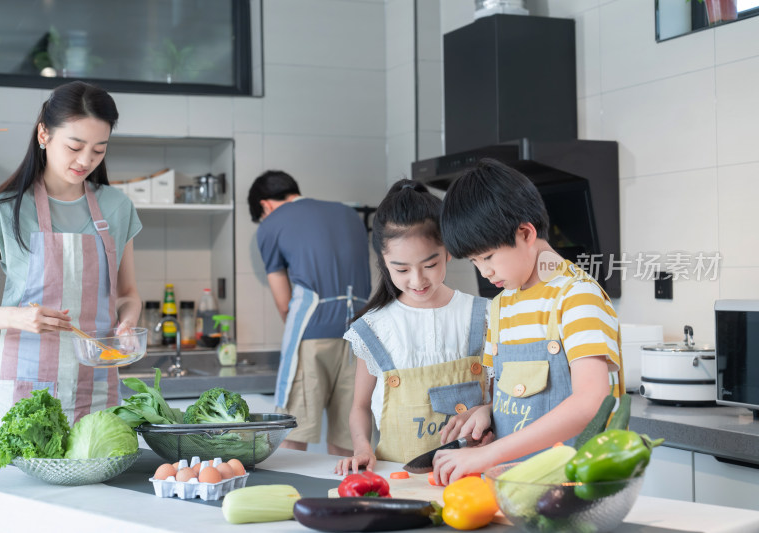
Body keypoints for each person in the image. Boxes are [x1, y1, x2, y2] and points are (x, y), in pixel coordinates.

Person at [0, 81, 142, 458]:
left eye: (98, 150)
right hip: (25, 397)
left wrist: (127, 320)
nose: (85, 160)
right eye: (74, 147)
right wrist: (17, 317)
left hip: (98, 396)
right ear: (44, 133)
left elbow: (127, 293)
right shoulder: (3, 212)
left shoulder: (117, 208)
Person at [432, 158, 624, 484]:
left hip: (577, 488)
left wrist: (487, 454)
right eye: (476, 261)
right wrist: (487, 412)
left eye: (489, 256)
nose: (485, 271)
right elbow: (508, 397)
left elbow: (591, 404)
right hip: (516, 488)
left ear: (525, 233)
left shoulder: (576, 297)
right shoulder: (500, 307)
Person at [334, 179, 489, 475]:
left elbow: (502, 395)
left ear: (448, 251)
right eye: (401, 269)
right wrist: (362, 448)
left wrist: (487, 410)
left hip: (472, 478)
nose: (417, 280)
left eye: (429, 265)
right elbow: (360, 406)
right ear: (384, 262)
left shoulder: (482, 315)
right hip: (396, 477)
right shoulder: (374, 328)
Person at [248, 170, 371, 456]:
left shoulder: (270, 225)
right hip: (361, 336)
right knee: (349, 436)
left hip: (311, 334)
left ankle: (292, 498)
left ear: (265, 206)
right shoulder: (349, 215)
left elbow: (284, 303)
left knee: (292, 433)